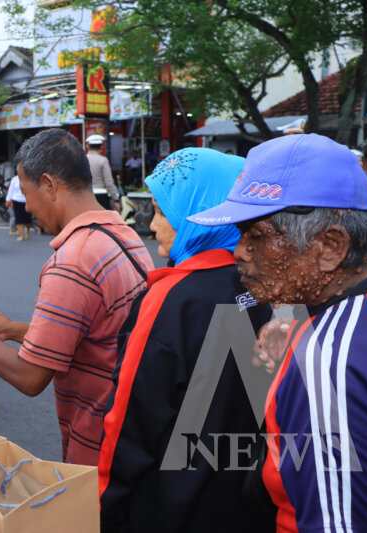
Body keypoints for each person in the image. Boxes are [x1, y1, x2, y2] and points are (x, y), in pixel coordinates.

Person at [190, 133, 367, 532]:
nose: (239, 251)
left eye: (257, 236)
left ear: (330, 247)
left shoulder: (329, 360)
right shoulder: (352, 320)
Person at [0, 128, 153, 465]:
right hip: (129, 429)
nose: (28, 206)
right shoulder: (122, 235)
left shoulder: (73, 259)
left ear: (50, 185)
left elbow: (30, 376)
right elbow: (99, 334)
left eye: (26, 192)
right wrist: (12, 329)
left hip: (99, 443)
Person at [97, 148, 274, 532]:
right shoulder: (274, 286)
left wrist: (104, 506)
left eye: (163, 212)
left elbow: (128, 423)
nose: (154, 226)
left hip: (172, 507)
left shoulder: (170, 298)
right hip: (252, 503)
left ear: (203, 214)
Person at [85, 134, 119, 210]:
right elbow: (109, 182)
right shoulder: (103, 160)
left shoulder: (82, 160)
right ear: (101, 147)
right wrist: (115, 198)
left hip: (87, 195)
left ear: (88, 146)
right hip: (102, 196)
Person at [6, 173, 31, 240]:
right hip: (16, 200)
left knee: (27, 219)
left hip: (27, 201)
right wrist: (8, 200)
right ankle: (21, 235)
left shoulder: (29, 178)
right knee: (18, 218)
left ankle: (27, 232)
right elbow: (10, 190)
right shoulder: (14, 179)